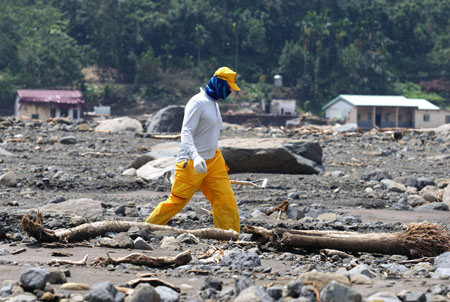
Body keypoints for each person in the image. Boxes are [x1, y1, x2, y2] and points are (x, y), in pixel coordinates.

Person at [145, 67, 241, 233]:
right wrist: (195, 156)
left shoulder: (214, 104)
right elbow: (186, 132)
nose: (230, 91)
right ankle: (144, 229)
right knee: (176, 201)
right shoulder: (197, 102)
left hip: (214, 160)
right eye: (228, 87)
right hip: (191, 162)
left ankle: (230, 236)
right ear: (219, 83)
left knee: (225, 200)